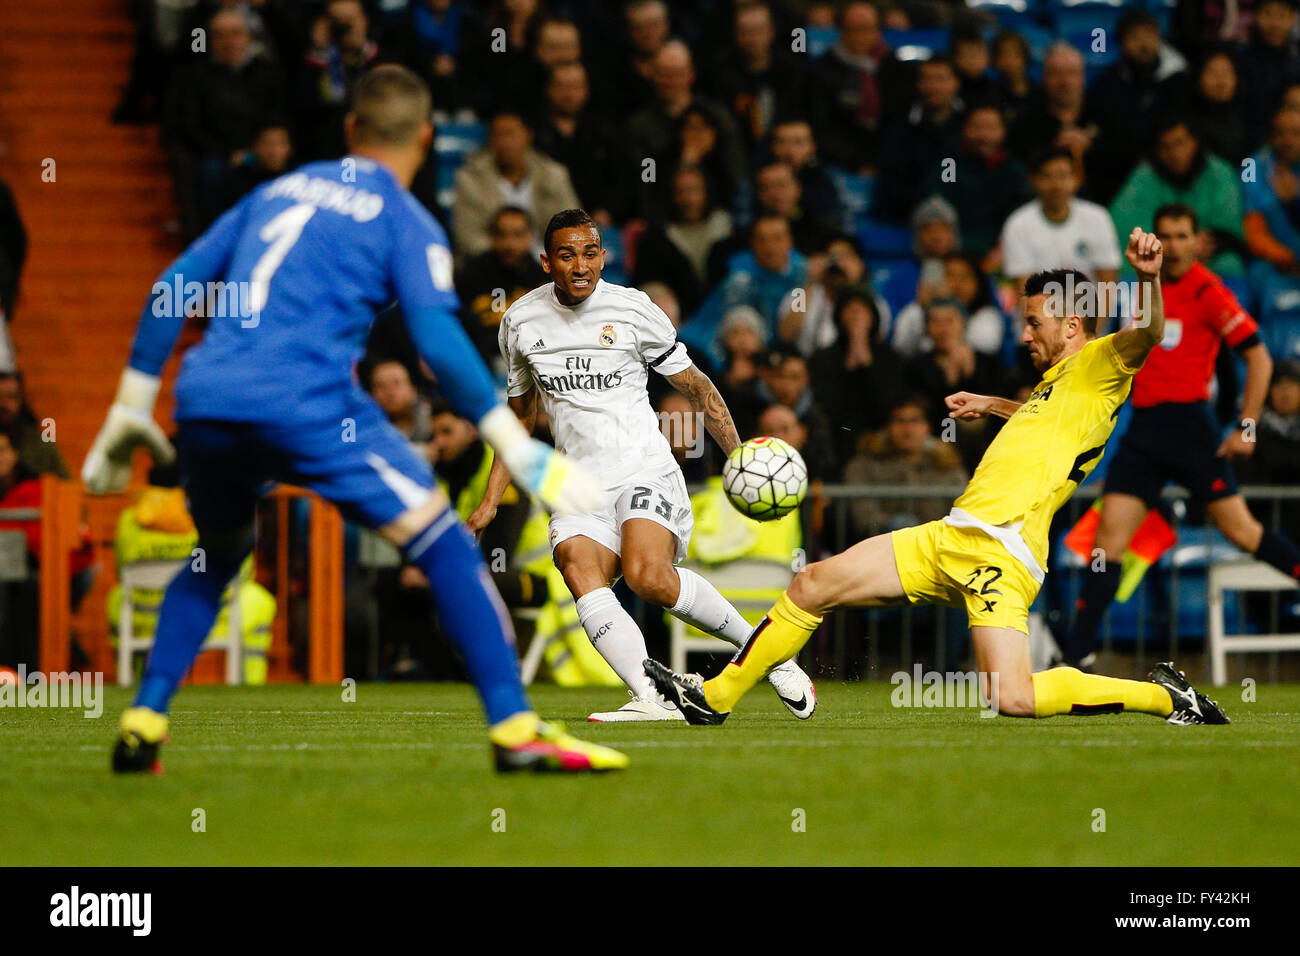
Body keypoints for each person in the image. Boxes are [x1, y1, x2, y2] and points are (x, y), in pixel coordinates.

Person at [85, 65, 625, 775]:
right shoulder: (404, 219)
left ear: (349, 131)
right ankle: (516, 728)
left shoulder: (272, 192)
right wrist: (511, 445)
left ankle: (144, 719)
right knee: (444, 546)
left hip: (206, 399)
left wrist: (130, 402)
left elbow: (173, 285)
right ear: (427, 139)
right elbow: (436, 344)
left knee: (216, 553)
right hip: (306, 404)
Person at [648, 230, 1232, 728]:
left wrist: (1149, 278)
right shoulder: (1059, 385)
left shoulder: (1103, 361)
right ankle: (715, 698)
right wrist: (995, 404)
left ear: (1072, 322)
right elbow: (1047, 422)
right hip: (950, 535)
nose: (1023, 335)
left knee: (1013, 697)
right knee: (813, 585)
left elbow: (1151, 332)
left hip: (1001, 551)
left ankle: (1163, 696)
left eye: (1033, 323)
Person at [471, 208, 815, 722]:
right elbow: (519, 416)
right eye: (567, 255)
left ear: (603, 257)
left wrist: (739, 454)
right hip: (578, 485)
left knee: (647, 576)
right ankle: (650, 698)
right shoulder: (520, 321)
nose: (580, 265)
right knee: (578, 568)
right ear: (547, 262)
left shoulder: (633, 310)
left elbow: (696, 385)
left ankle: (767, 653)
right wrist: (490, 500)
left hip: (642, 469)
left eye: (590, 253)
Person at [1058, 204, 1298, 668]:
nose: (1174, 246)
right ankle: (1076, 656)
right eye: (1165, 236)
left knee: (1244, 532)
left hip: (1192, 428)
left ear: (1197, 240)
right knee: (1107, 545)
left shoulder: (1209, 291)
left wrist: (1245, 427)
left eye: (1184, 235)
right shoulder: (1139, 291)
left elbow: (1260, 358)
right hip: (1145, 430)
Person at [999, 147, 1122, 293]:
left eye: (1063, 176)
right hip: (1040, 311)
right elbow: (1024, 292)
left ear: (1077, 178)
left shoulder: (1098, 218)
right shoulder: (1017, 224)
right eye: (1047, 176)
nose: (1056, 184)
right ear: (1032, 180)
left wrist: (1095, 316)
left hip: (1088, 310)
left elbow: (1108, 284)